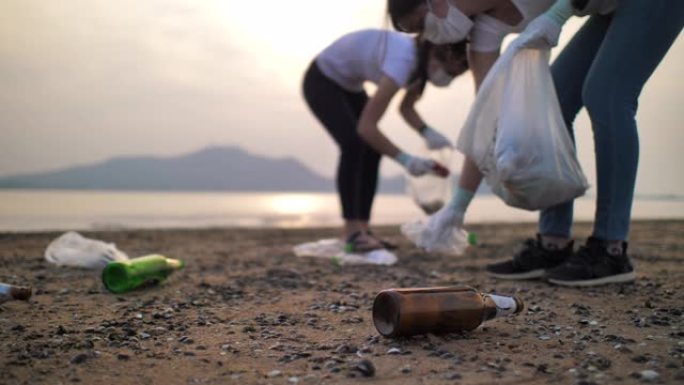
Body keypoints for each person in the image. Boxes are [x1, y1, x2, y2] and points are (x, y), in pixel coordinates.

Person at [394, 0, 684, 286]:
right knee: (554, 99)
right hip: (608, 5)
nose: (430, 36)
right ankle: (553, 243)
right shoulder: (484, 34)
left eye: (421, 24)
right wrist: (458, 206)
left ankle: (611, 247)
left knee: (605, 94)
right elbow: (485, 119)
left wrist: (558, 12)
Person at [302, 28, 469, 252]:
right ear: (440, 57)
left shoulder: (422, 64)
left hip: (350, 86)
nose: (450, 79)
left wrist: (427, 132)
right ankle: (352, 233)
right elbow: (367, 127)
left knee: (372, 150)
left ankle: (362, 229)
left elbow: (406, 107)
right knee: (353, 144)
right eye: (452, 72)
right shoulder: (404, 59)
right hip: (322, 79)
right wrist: (407, 161)